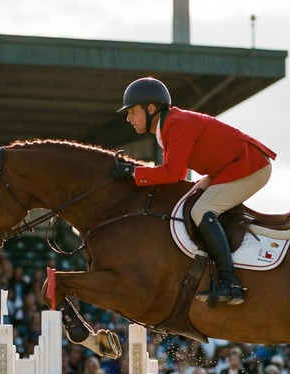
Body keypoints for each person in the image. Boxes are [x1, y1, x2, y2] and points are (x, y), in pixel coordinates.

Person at [115, 76, 276, 305]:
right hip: (229, 168)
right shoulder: (168, 126)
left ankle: (230, 284)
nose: (129, 118)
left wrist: (134, 173)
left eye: (132, 111)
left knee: (201, 210)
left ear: (150, 108)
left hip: (251, 166)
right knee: (189, 200)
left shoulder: (176, 123)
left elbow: (171, 174)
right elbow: (178, 177)